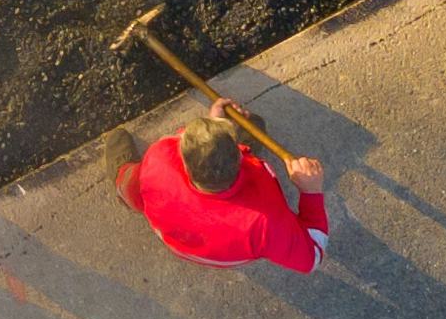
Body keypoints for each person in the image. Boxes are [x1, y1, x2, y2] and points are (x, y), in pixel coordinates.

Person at [127, 115, 331, 270]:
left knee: (127, 179)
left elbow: (180, 140)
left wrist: (211, 124)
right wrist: (311, 192)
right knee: (255, 124)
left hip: (178, 242)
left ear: (186, 164)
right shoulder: (264, 224)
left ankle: (122, 181)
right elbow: (312, 257)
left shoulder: (158, 157)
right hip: (224, 252)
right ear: (240, 155)